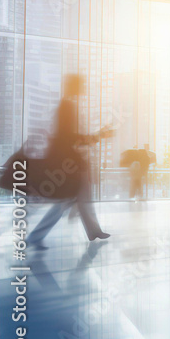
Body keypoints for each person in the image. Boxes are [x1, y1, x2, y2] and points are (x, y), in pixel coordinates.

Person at [27, 74, 113, 249]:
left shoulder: (68, 105)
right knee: (68, 199)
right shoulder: (67, 106)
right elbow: (70, 137)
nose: (84, 88)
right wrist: (98, 136)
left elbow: (69, 137)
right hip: (68, 162)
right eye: (81, 85)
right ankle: (35, 236)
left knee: (79, 196)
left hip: (71, 161)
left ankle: (93, 230)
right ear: (75, 86)